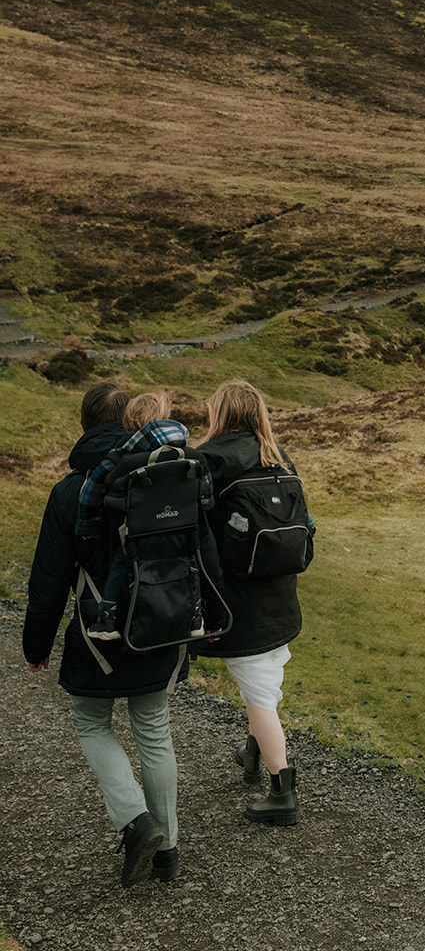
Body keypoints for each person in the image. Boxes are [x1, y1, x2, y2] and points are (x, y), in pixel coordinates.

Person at [22, 381, 186, 886]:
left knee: (91, 721)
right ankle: (169, 852)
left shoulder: (72, 489)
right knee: (154, 728)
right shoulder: (169, 472)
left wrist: (36, 645)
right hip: (164, 622)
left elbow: (50, 578)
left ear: (86, 423)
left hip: (100, 634)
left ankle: (137, 823)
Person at [195, 379, 307, 825]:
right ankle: (252, 752)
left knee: (260, 694)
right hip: (280, 593)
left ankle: (283, 793)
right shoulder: (280, 459)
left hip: (237, 598)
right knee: (262, 679)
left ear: (218, 413)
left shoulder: (208, 462)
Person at [77, 390, 207, 641]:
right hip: (179, 529)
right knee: (190, 560)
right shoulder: (190, 458)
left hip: (137, 533)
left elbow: (89, 492)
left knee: (119, 562)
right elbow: (206, 496)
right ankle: (195, 616)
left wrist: (87, 527)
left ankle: (108, 619)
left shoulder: (116, 459)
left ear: (128, 423)